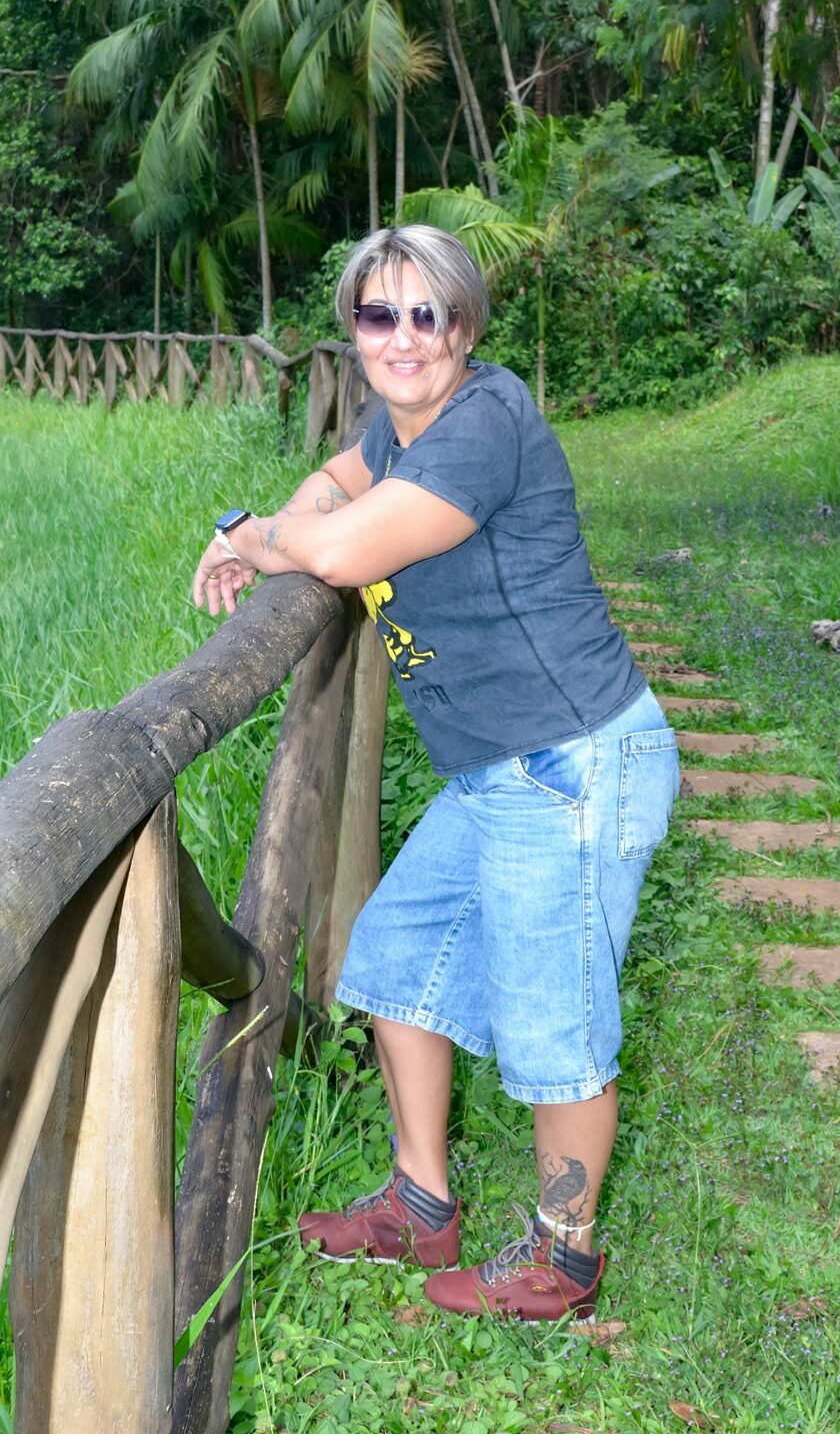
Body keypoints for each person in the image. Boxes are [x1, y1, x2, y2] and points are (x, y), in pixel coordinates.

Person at [193, 225, 679, 1323]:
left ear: (465, 326)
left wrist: (248, 533)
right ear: (353, 329)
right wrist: (297, 519)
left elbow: (339, 551)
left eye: (430, 314)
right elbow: (338, 482)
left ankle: (562, 1258)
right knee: (397, 959)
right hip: (500, 771)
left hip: (568, 762)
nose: (404, 337)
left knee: (555, 1025)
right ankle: (422, 1205)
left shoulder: (483, 422)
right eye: (381, 315)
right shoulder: (402, 424)